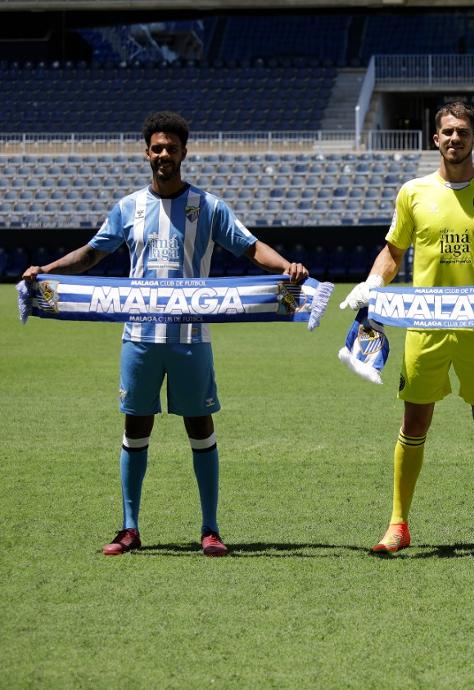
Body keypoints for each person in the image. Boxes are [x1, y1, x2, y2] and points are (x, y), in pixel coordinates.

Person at [21, 111, 309, 557]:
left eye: (171, 148)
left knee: (200, 425)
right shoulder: (128, 208)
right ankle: (129, 528)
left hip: (191, 340)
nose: (164, 155)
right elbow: (92, 255)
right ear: (147, 153)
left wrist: (286, 265)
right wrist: (48, 270)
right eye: (157, 148)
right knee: (136, 426)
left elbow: (251, 248)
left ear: (184, 153)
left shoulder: (209, 207)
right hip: (139, 338)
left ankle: (211, 529)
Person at [341, 101, 474, 556]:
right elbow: (393, 252)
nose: (454, 138)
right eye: (447, 132)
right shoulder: (413, 192)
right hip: (425, 328)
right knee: (414, 420)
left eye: (462, 132)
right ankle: (398, 524)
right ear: (435, 139)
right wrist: (372, 284)